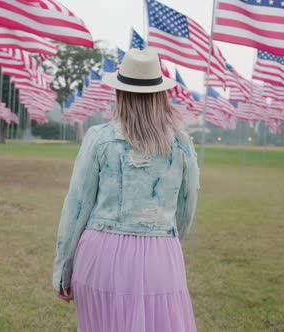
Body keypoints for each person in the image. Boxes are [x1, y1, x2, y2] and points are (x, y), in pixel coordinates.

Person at [52, 48, 200, 332]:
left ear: (120, 93)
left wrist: (63, 270)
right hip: (160, 256)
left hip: (100, 256)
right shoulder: (182, 144)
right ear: (160, 94)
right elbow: (186, 209)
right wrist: (166, 245)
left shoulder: (99, 138)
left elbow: (77, 207)